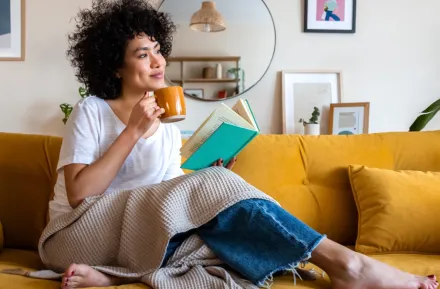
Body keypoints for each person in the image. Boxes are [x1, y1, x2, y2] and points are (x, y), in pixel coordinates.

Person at [48, 0, 438, 288]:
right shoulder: (93, 111)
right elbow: (80, 195)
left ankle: (111, 278)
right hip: (75, 235)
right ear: (114, 66)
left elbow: (166, 198)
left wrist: (208, 179)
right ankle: (350, 265)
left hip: (135, 237)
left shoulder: (166, 127)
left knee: (223, 235)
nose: (157, 61)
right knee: (218, 218)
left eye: (158, 49)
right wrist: (132, 132)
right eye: (142, 53)